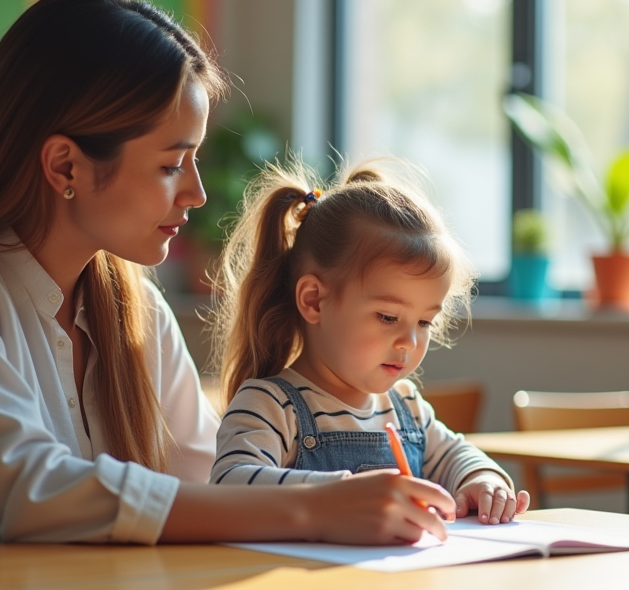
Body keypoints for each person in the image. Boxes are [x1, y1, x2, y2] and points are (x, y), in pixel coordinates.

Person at [0, 0, 455, 561]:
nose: (197, 194)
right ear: (66, 167)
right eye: (170, 164)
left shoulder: (136, 310)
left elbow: (207, 482)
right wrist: (316, 506)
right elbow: (24, 490)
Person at [210, 161, 530, 525]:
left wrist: (483, 480)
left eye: (425, 322)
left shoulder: (407, 407)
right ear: (314, 300)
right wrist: (341, 496)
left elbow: (459, 455)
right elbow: (228, 487)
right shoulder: (268, 405)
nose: (409, 341)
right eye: (388, 318)